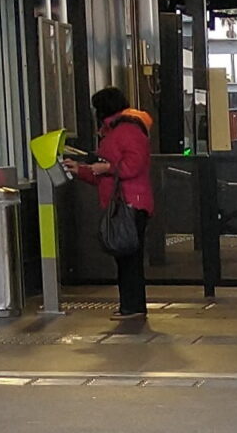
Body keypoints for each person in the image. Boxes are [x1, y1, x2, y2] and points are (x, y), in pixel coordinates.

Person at [63, 87, 155, 321]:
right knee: (125, 256)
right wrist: (81, 170)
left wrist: (107, 168)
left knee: (128, 256)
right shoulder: (116, 130)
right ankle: (130, 305)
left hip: (130, 203)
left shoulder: (127, 130)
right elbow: (105, 173)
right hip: (122, 202)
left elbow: (133, 165)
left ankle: (132, 306)